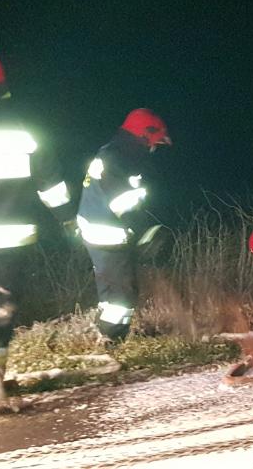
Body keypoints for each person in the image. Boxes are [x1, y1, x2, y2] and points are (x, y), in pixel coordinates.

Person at [0, 52, 73, 406]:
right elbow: (51, 186)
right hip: (13, 240)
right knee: (2, 307)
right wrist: (67, 219)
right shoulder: (27, 130)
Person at [76, 108, 170, 342]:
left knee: (110, 289)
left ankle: (102, 332)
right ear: (144, 135)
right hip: (108, 233)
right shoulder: (123, 157)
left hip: (96, 229)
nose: (154, 148)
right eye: (154, 142)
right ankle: (111, 341)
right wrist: (144, 233)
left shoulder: (113, 151)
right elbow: (121, 202)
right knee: (122, 294)